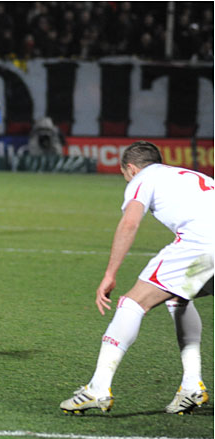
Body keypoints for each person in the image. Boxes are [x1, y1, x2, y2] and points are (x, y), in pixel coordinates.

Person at [60, 141, 213, 415]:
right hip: (207, 248)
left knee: (132, 303)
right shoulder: (192, 176)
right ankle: (191, 385)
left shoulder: (144, 177)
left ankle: (98, 388)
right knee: (178, 298)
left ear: (130, 168)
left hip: (201, 246)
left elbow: (130, 223)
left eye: (124, 175)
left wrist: (110, 273)